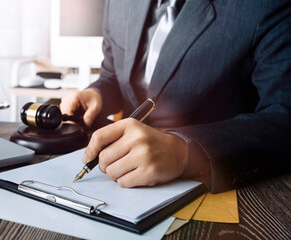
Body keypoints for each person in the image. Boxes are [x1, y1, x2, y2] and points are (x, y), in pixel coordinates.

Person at [60, 0, 291, 193]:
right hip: (119, 177)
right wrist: (97, 92)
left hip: (211, 185)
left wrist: (183, 150)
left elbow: (283, 117)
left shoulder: (266, 6)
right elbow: (113, 75)